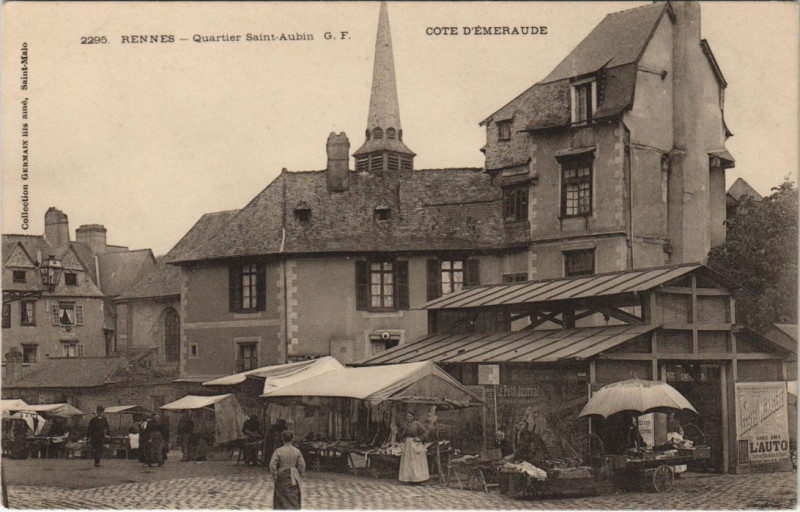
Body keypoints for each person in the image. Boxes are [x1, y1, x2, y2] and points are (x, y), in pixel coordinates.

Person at [269, 430, 305, 510]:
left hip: (282, 474)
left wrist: (275, 474)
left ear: (282, 439)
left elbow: (272, 464)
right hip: (293, 475)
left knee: (280, 496)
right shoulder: (297, 451)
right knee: (294, 495)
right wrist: (298, 473)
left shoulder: (278, 451)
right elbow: (302, 465)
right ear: (292, 439)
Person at [397, 411, 429, 484]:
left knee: (416, 462)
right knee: (407, 462)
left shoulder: (417, 424)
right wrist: (402, 438)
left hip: (415, 444)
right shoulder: (404, 424)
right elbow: (399, 433)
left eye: (410, 416)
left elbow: (425, 432)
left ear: (413, 417)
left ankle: (417, 479)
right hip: (407, 444)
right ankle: (407, 479)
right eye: (407, 416)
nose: (408, 418)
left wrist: (420, 438)